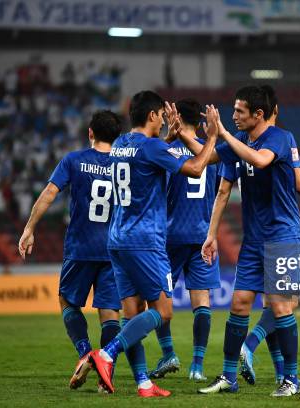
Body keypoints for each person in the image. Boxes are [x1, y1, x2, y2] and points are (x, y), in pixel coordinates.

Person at [177, 86, 300, 397]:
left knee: (280, 305)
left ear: (259, 114)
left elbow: (262, 161)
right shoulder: (238, 141)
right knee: (239, 302)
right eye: (233, 110)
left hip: (282, 234)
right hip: (253, 239)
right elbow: (209, 159)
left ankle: (290, 379)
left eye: (239, 111)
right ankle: (228, 376)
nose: (234, 115)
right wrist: (211, 235)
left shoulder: (279, 138)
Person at [89, 91, 218, 398]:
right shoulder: (151, 146)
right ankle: (106, 354)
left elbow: (148, 162)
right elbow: (198, 167)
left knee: (132, 313)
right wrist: (211, 137)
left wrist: (171, 139)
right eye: (161, 114)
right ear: (151, 116)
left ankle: (143, 382)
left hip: (117, 239)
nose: (164, 119)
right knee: (164, 311)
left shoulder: (120, 144)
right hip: (145, 241)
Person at [237, 85, 300, 386]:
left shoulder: (254, 140)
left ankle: (279, 371)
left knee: (276, 304)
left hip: (259, 234)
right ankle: (255, 350)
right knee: (287, 304)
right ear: (274, 111)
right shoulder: (282, 138)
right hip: (283, 232)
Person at [18, 110, 123, 392]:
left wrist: (29, 228)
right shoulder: (125, 165)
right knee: (110, 312)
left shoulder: (74, 160)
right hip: (115, 249)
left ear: (90, 132)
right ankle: (105, 370)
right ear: (118, 136)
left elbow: (49, 193)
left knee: (67, 300)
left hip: (80, 247)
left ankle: (85, 353)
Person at [148, 98, 220, 382]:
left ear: (174, 118)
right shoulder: (210, 152)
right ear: (200, 122)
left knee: (159, 300)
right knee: (202, 303)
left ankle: (168, 353)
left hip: (168, 236)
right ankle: (197, 368)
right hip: (203, 236)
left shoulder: (164, 151)